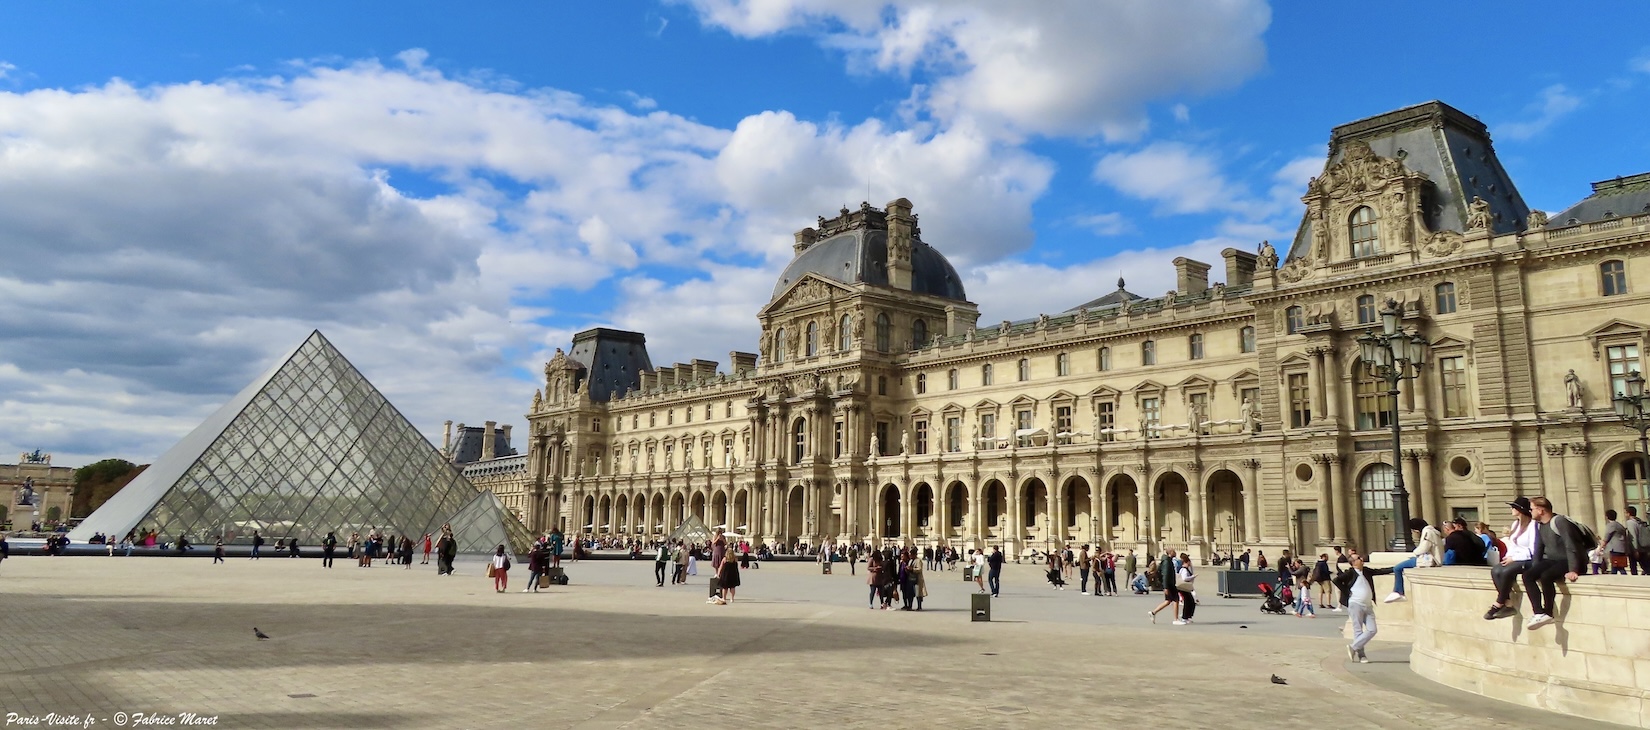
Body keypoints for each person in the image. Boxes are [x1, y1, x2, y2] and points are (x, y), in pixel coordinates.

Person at [1522, 496, 1588, 629]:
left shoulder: (1559, 521)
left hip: (1568, 560)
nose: (1530, 512)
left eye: (1532, 509)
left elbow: (1571, 545)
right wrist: (1536, 568)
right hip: (1553, 560)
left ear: (1541, 510)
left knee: (1547, 576)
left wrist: (1573, 569)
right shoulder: (1539, 525)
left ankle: (1548, 612)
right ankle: (1538, 612)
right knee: (1528, 576)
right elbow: (1538, 547)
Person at [1485, 497, 1538, 620]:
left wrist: (1514, 558)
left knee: (1507, 571)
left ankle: (1498, 603)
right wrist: (1509, 556)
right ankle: (1508, 603)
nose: (1511, 509)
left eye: (1513, 507)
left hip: (1527, 559)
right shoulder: (1515, 524)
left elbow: (1533, 549)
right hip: (1514, 557)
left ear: (1520, 509)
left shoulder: (1532, 525)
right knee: (1496, 570)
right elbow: (1513, 545)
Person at [1334, 550, 1391, 663]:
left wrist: (1396, 568)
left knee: (1372, 630)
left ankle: (1353, 647)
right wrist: (1347, 591)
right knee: (1358, 630)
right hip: (1355, 604)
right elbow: (1336, 580)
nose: (1361, 559)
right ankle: (1361, 655)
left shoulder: (1366, 571)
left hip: (1368, 605)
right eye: (1358, 558)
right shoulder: (1350, 573)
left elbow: (1379, 571)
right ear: (1354, 563)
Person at [1384, 518, 1443, 603]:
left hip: (1427, 560)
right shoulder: (1432, 531)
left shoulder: (1427, 532)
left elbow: (1424, 547)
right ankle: (1398, 592)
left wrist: (1415, 552)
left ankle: (1398, 592)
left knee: (1397, 568)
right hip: (1429, 559)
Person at [1149, 547, 1180, 624]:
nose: (1175, 552)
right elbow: (1165, 575)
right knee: (1176, 600)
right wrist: (1165, 587)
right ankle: (1176, 619)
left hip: (1169, 584)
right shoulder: (1167, 562)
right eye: (1174, 551)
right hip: (1169, 584)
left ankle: (1153, 612)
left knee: (1168, 601)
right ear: (1170, 552)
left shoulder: (1166, 560)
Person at [1602, 510, 1631, 575]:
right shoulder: (1619, 525)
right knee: (1619, 565)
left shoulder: (1611, 525)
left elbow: (1607, 536)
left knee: (1616, 565)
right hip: (1621, 548)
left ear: (1607, 517)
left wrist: (1601, 546)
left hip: (1615, 548)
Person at [1173, 552, 1197, 625]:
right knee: (1189, 602)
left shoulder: (1185, 569)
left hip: (1184, 587)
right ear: (1188, 562)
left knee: (1190, 602)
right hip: (1183, 587)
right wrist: (1193, 577)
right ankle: (1185, 617)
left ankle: (1187, 616)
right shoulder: (1184, 569)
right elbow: (1184, 578)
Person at [1627, 506, 1650, 576]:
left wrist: (1635, 550)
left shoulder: (1630, 522)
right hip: (1643, 547)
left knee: (1633, 566)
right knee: (1645, 564)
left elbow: (1633, 536)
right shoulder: (1639, 521)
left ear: (1628, 513)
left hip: (1635, 548)